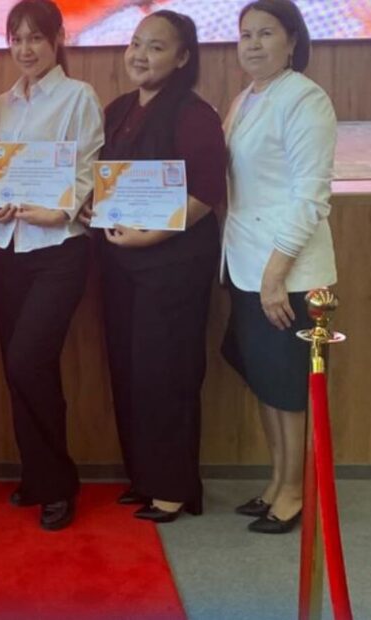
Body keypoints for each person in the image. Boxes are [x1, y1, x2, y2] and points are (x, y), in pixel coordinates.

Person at [79, 11, 226, 523]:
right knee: (129, 370)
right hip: (120, 262)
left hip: (173, 265)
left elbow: (206, 193)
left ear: (183, 58)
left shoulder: (195, 114)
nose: (140, 55)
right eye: (136, 43)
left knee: (167, 372)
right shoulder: (118, 109)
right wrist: (91, 208)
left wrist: (153, 234)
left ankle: (174, 486)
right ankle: (143, 476)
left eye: (156, 47)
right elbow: (104, 179)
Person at [0, 0, 104, 531]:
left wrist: (59, 209)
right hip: (6, 245)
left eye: (36, 38)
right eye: (16, 39)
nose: (26, 49)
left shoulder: (79, 97)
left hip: (59, 248)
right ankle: (37, 475)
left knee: (27, 361)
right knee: (25, 370)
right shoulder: (1, 104)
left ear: (58, 40)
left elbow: (89, 167)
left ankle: (58, 482)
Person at [222, 0, 337, 534]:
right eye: (245, 34)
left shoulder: (305, 99)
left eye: (266, 33)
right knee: (268, 382)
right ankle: (276, 481)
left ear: (292, 41)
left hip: (288, 274)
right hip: (247, 266)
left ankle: (294, 492)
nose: (253, 44)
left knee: (290, 388)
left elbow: (310, 198)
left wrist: (276, 275)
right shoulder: (246, 98)